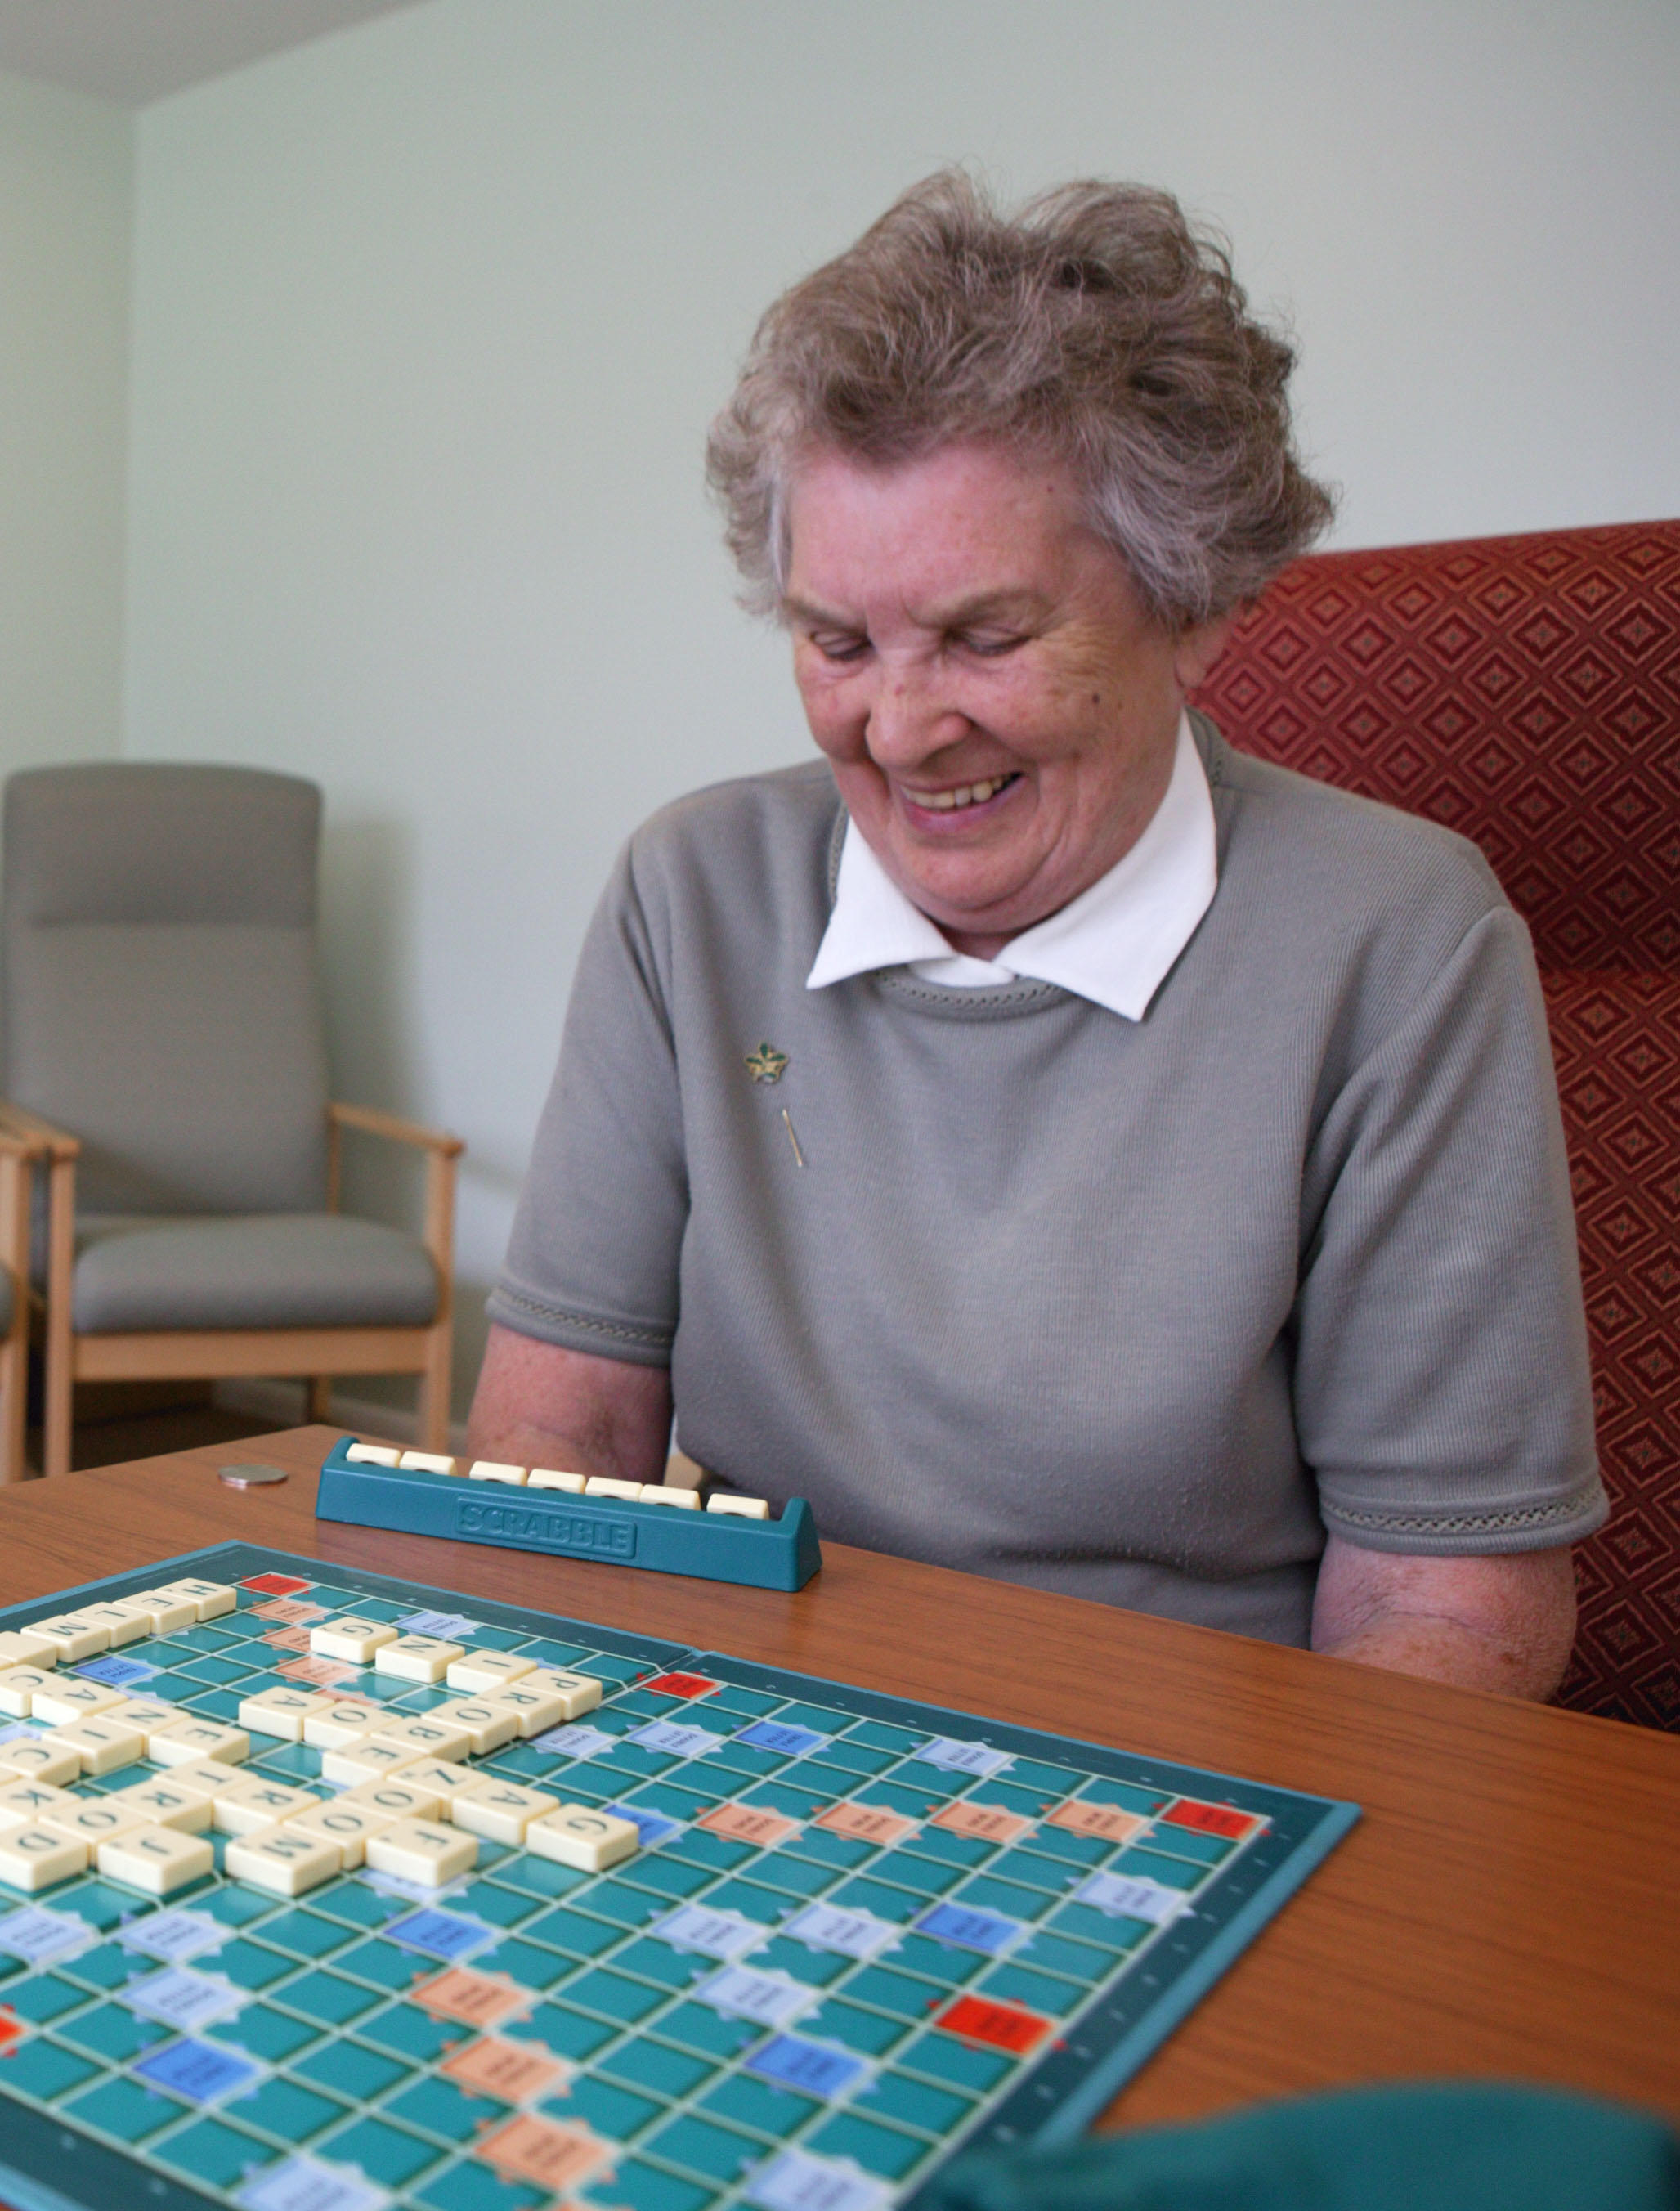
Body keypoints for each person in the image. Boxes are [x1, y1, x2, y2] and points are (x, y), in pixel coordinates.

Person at [469, 175, 1602, 1697]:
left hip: (1186, 1791)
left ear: (1192, 606)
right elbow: (561, 1440)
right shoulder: (694, 890)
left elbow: (1452, 1619)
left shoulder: (1399, 939)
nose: (901, 727)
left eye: (988, 637)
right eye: (837, 641)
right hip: (739, 1753)